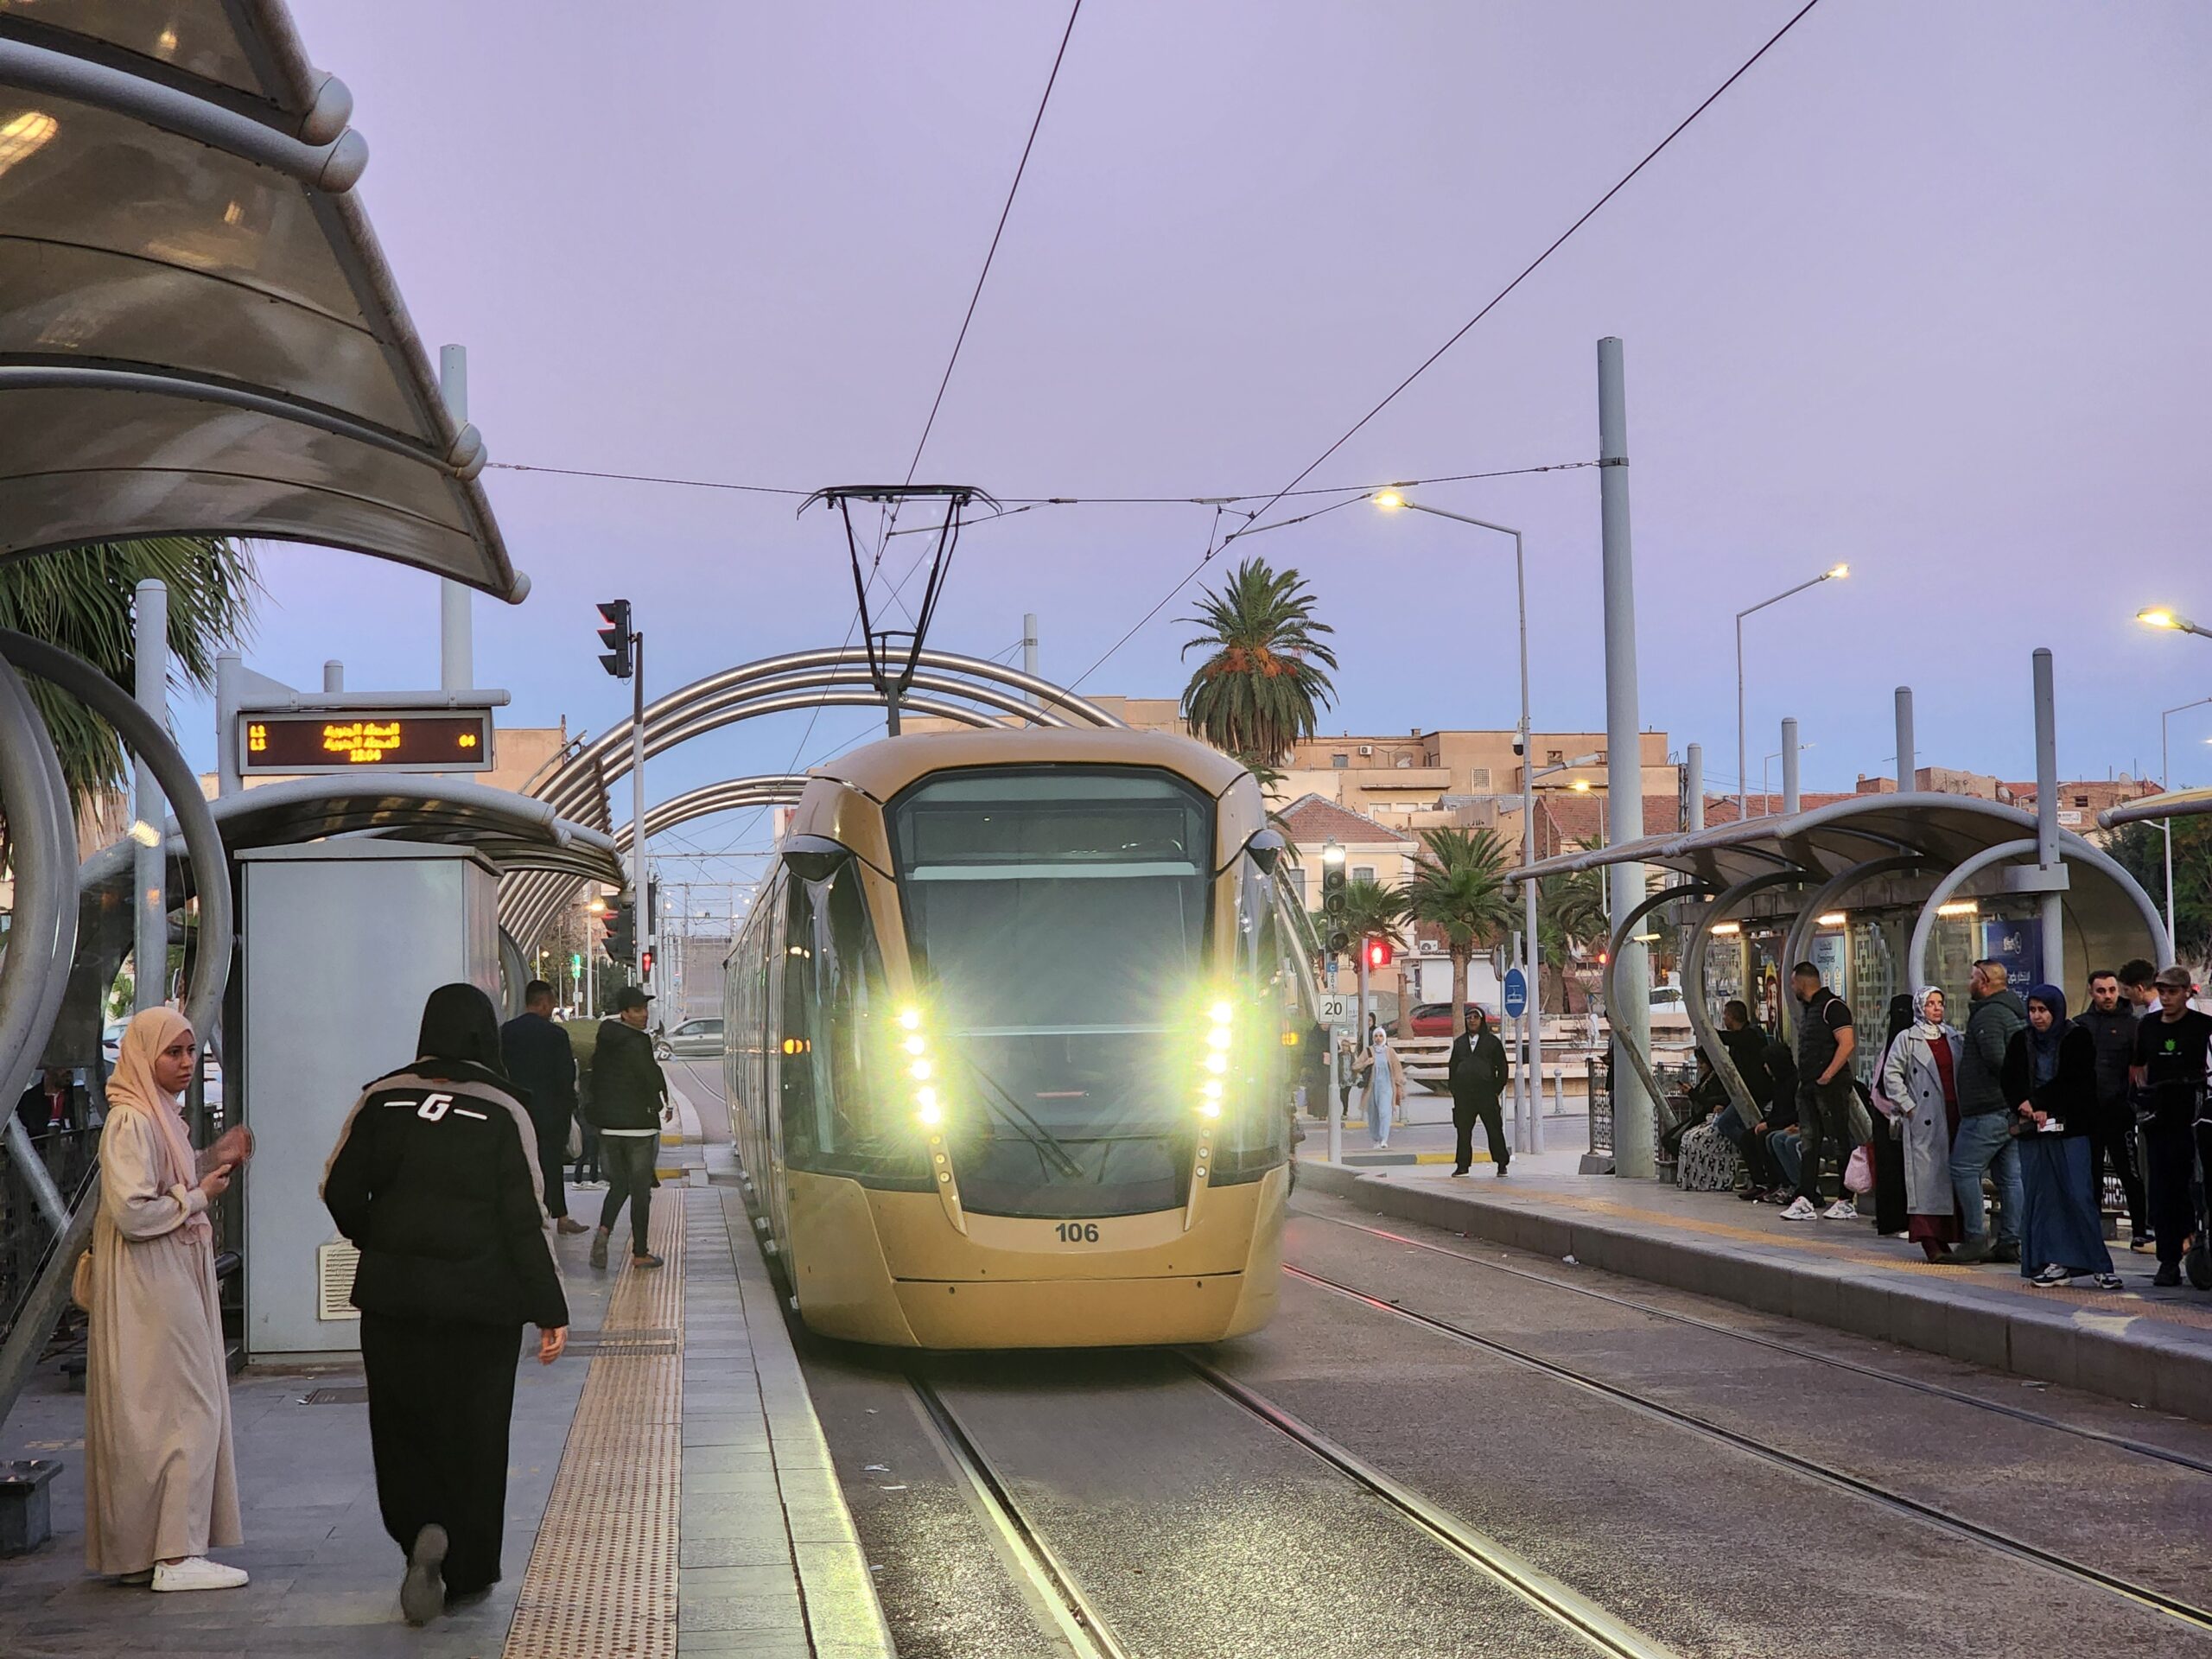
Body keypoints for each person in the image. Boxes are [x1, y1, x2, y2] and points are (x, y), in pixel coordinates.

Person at [322, 983, 569, 1624]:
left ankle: (418, 1529)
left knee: (401, 1425)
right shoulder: (505, 1108)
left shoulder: (381, 1097)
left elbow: (337, 1188)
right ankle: (465, 1570)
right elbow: (527, 1218)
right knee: (475, 1433)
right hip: (481, 1307)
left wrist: (380, 1241)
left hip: (393, 1301)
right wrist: (550, 1308)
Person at [84, 1007, 251, 1592]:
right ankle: (177, 1554)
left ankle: (147, 1548)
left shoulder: (157, 1117)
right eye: (172, 1053)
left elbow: (162, 1182)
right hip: (150, 1279)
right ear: (143, 1056)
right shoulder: (132, 1120)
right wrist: (198, 1197)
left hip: (163, 1273)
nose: (185, 1064)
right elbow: (134, 1211)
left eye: (189, 1052)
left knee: (155, 1412)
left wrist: (211, 1159)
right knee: (189, 1406)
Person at [1999, 984, 2121, 1289]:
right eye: (2032, 1010)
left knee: (2078, 1194)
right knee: (2044, 1197)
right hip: (2033, 1132)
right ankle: (2054, 1262)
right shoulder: (2021, 1039)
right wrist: (2025, 1105)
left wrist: (2042, 1103)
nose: (2037, 1017)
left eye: (2043, 1010)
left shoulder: (2076, 1037)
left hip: (2071, 1129)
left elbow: (2076, 1082)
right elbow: (2010, 1078)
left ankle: (2099, 1265)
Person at [2131, 963, 2212, 1288]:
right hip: (2160, 1119)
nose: (2166, 998)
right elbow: (2138, 1067)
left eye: (2172, 992)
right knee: (2163, 1192)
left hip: (2195, 1118)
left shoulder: (2203, 1026)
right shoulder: (2148, 1026)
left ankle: (2199, 1245)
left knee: (2198, 1188)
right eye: (2162, 992)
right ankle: (2168, 1261)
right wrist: (2141, 1098)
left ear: (2186, 993)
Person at [589, 985, 673, 1270]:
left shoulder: (605, 1039)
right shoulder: (638, 1041)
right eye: (637, 1010)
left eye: (645, 1009)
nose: (644, 1015)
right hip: (638, 1126)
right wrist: (659, 1103)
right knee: (640, 1191)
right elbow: (648, 1076)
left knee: (619, 1186)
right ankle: (640, 1253)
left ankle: (603, 1233)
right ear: (624, 1013)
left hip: (610, 1127)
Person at [1950, 959, 2028, 1264]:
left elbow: (1997, 1059)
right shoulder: (2012, 1010)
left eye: (1972, 977)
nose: (1969, 982)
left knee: (1963, 1168)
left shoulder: (1990, 1014)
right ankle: (2010, 1241)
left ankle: (1975, 1238)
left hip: (1988, 1108)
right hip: (2009, 1108)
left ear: (1984, 982)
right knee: (2010, 1176)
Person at [501, 980, 589, 1236]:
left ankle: (528, 1215)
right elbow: (565, 1075)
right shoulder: (556, 1035)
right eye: (551, 1003)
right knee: (551, 1164)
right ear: (544, 1003)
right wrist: (569, 1105)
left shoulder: (506, 1032)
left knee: (522, 1164)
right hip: (551, 1112)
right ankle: (560, 1217)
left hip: (518, 1110)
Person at [1884, 987, 1964, 1260]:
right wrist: (1909, 1106)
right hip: (1925, 1117)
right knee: (1926, 1179)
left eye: (1940, 1003)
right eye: (1930, 1003)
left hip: (1954, 1113)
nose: (1937, 1008)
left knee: (1951, 1176)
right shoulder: (1907, 1038)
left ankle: (1949, 1236)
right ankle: (1929, 1239)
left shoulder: (1953, 1037)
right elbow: (1891, 1074)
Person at [2076, 969, 2151, 1254]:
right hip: (2089, 1114)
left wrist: (2132, 1100)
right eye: (2101, 991)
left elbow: (2140, 1067)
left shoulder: (2133, 1026)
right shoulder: (2081, 1025)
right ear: (2091, 992)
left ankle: (2140, 1231)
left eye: (2111, 990)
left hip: (2120, 1112)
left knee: (2129, 1173)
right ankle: (2091, 1233)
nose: (2108, 996)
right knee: (2090, 1175)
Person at [1779, 962, 1859, 1222]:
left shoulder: (1832, 1007)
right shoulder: (1810, 1010)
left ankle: (1845, 1199)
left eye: (1793, 982)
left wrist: (1828, 1074)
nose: (1792, 988)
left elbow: (1847, 1043)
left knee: (1839, 1140)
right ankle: (1805, 1198)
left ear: (1802, 982)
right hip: (1810, 1087)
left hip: (1830, 1087)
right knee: (1809, 1142)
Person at [1863, 994, 1915, 1236]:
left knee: (1893, 1170)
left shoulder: (1898, 1043)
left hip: (1892, 1116)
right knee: (1896, 1170)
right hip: (1899, 1117)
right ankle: (1897, 1219)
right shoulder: (1902, 1044)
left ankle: (1894, 1219)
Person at [1739, 1027, 1800, 1202]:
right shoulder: (1778, 1082)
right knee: (1747, 1137)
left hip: (1790, 1123)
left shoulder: (1795, 1082)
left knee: (1767, 1137)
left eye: (1767, 1063)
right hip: (1778, 1121)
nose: (1764, 1067)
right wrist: (1765, 1121)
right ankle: (1761, 1182)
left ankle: (1780, 1182)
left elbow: (1795, 1113)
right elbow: (1776, 1109)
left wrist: (1770, 1124)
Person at [1446, 1009, 1509, 1177]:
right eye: (1469, 1018)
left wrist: (1496, 1089)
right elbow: (1453, 1067)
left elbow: (1502, 1068)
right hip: (1464, 1096)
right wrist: (1455, 1090)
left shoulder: (1492, 1042)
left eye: (1475, 1018)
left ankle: (1502, 1163)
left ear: (1482, 1020)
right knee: (1463, 1131)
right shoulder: (1460, 1043)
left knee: (1494, 1130)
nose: (1472, 1021)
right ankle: (1462, 1166)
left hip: (1486, 1094)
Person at [14, 1065, 76, 1141]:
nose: (69, 1070)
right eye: (63, 1066)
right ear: (48, 1068)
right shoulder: (28, 1100)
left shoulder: (76, 1097)